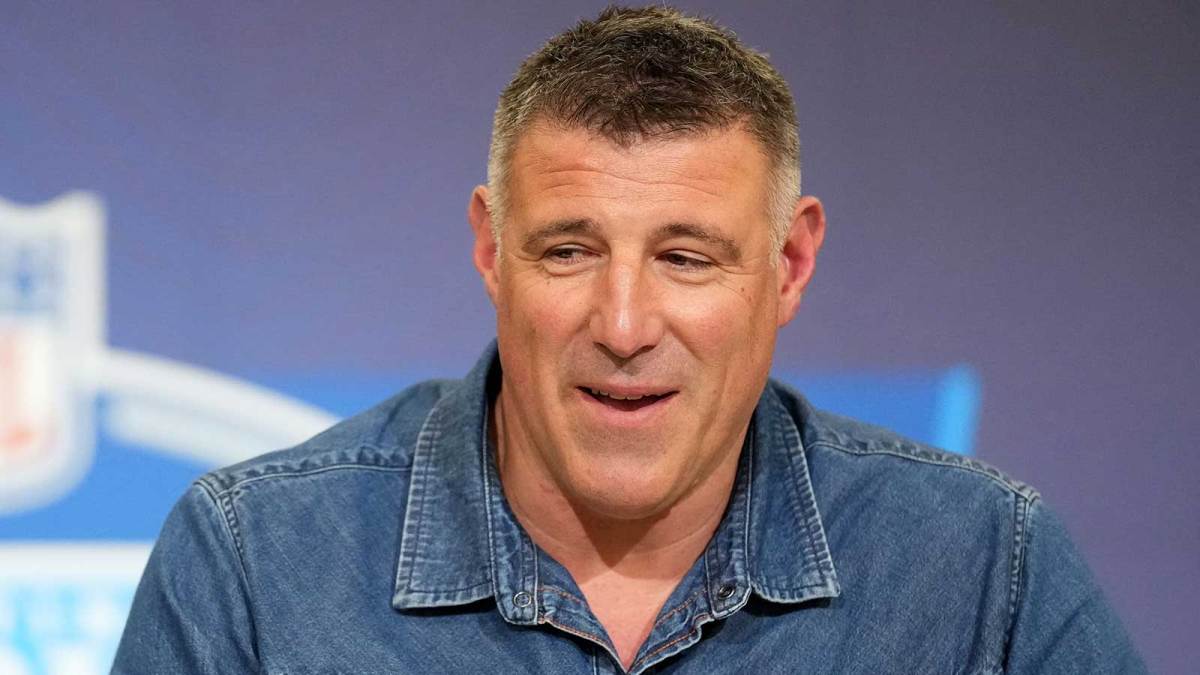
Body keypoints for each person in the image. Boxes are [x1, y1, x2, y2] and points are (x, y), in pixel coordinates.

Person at [113, 6, 1145, 673]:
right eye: (568, 251)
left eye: (687, 258)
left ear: (789, 264)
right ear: (490, 249)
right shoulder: (251, 563)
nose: (621, 326)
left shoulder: (977, 569)